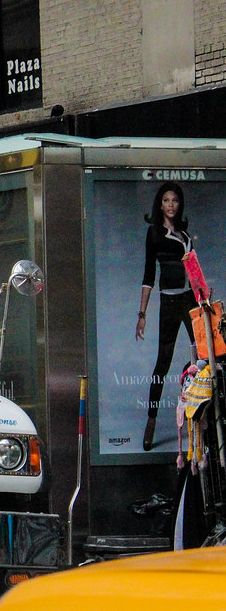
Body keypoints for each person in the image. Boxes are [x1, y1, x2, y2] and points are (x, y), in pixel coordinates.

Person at [135, 181, 197, 451]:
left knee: (202, 357)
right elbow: (149, 275)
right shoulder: (154, 234)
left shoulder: (184, 233)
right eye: (167, 200)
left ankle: (200, 421)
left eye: (175, 200)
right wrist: (142, 314)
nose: (171, 205)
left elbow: (193, 268)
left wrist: (203, 294)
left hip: (191, 300)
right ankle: (151, 422)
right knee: (163, 363)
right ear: (159, 204)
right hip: (169, 301)